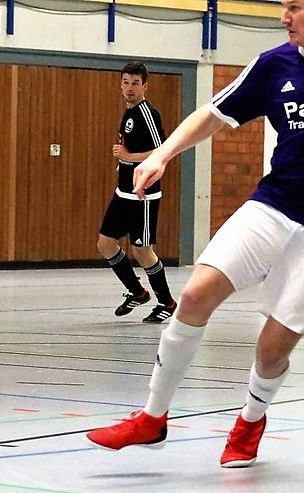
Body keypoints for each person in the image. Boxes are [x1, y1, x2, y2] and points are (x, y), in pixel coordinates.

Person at [86, 0, 304, 468]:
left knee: (271, 350)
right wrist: (162, 154)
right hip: (275, 203)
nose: (284, 17)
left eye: (294, 7)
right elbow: (212, 114)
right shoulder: (273, 64)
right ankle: (152, 416)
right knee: (196, 294)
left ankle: (250, 420)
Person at [97, 61, 177, 324]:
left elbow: (162, 151)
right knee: (105, 244)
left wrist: (128, 157)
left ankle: (167, 302)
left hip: (143, 196)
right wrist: (123, 165)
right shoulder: (129, 112)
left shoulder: (147, 113)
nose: (129, 88)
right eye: (126, 82)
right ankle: (137, 292)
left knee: (142, 251)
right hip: (123, 193)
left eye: (135, 83)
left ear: (145, 86)